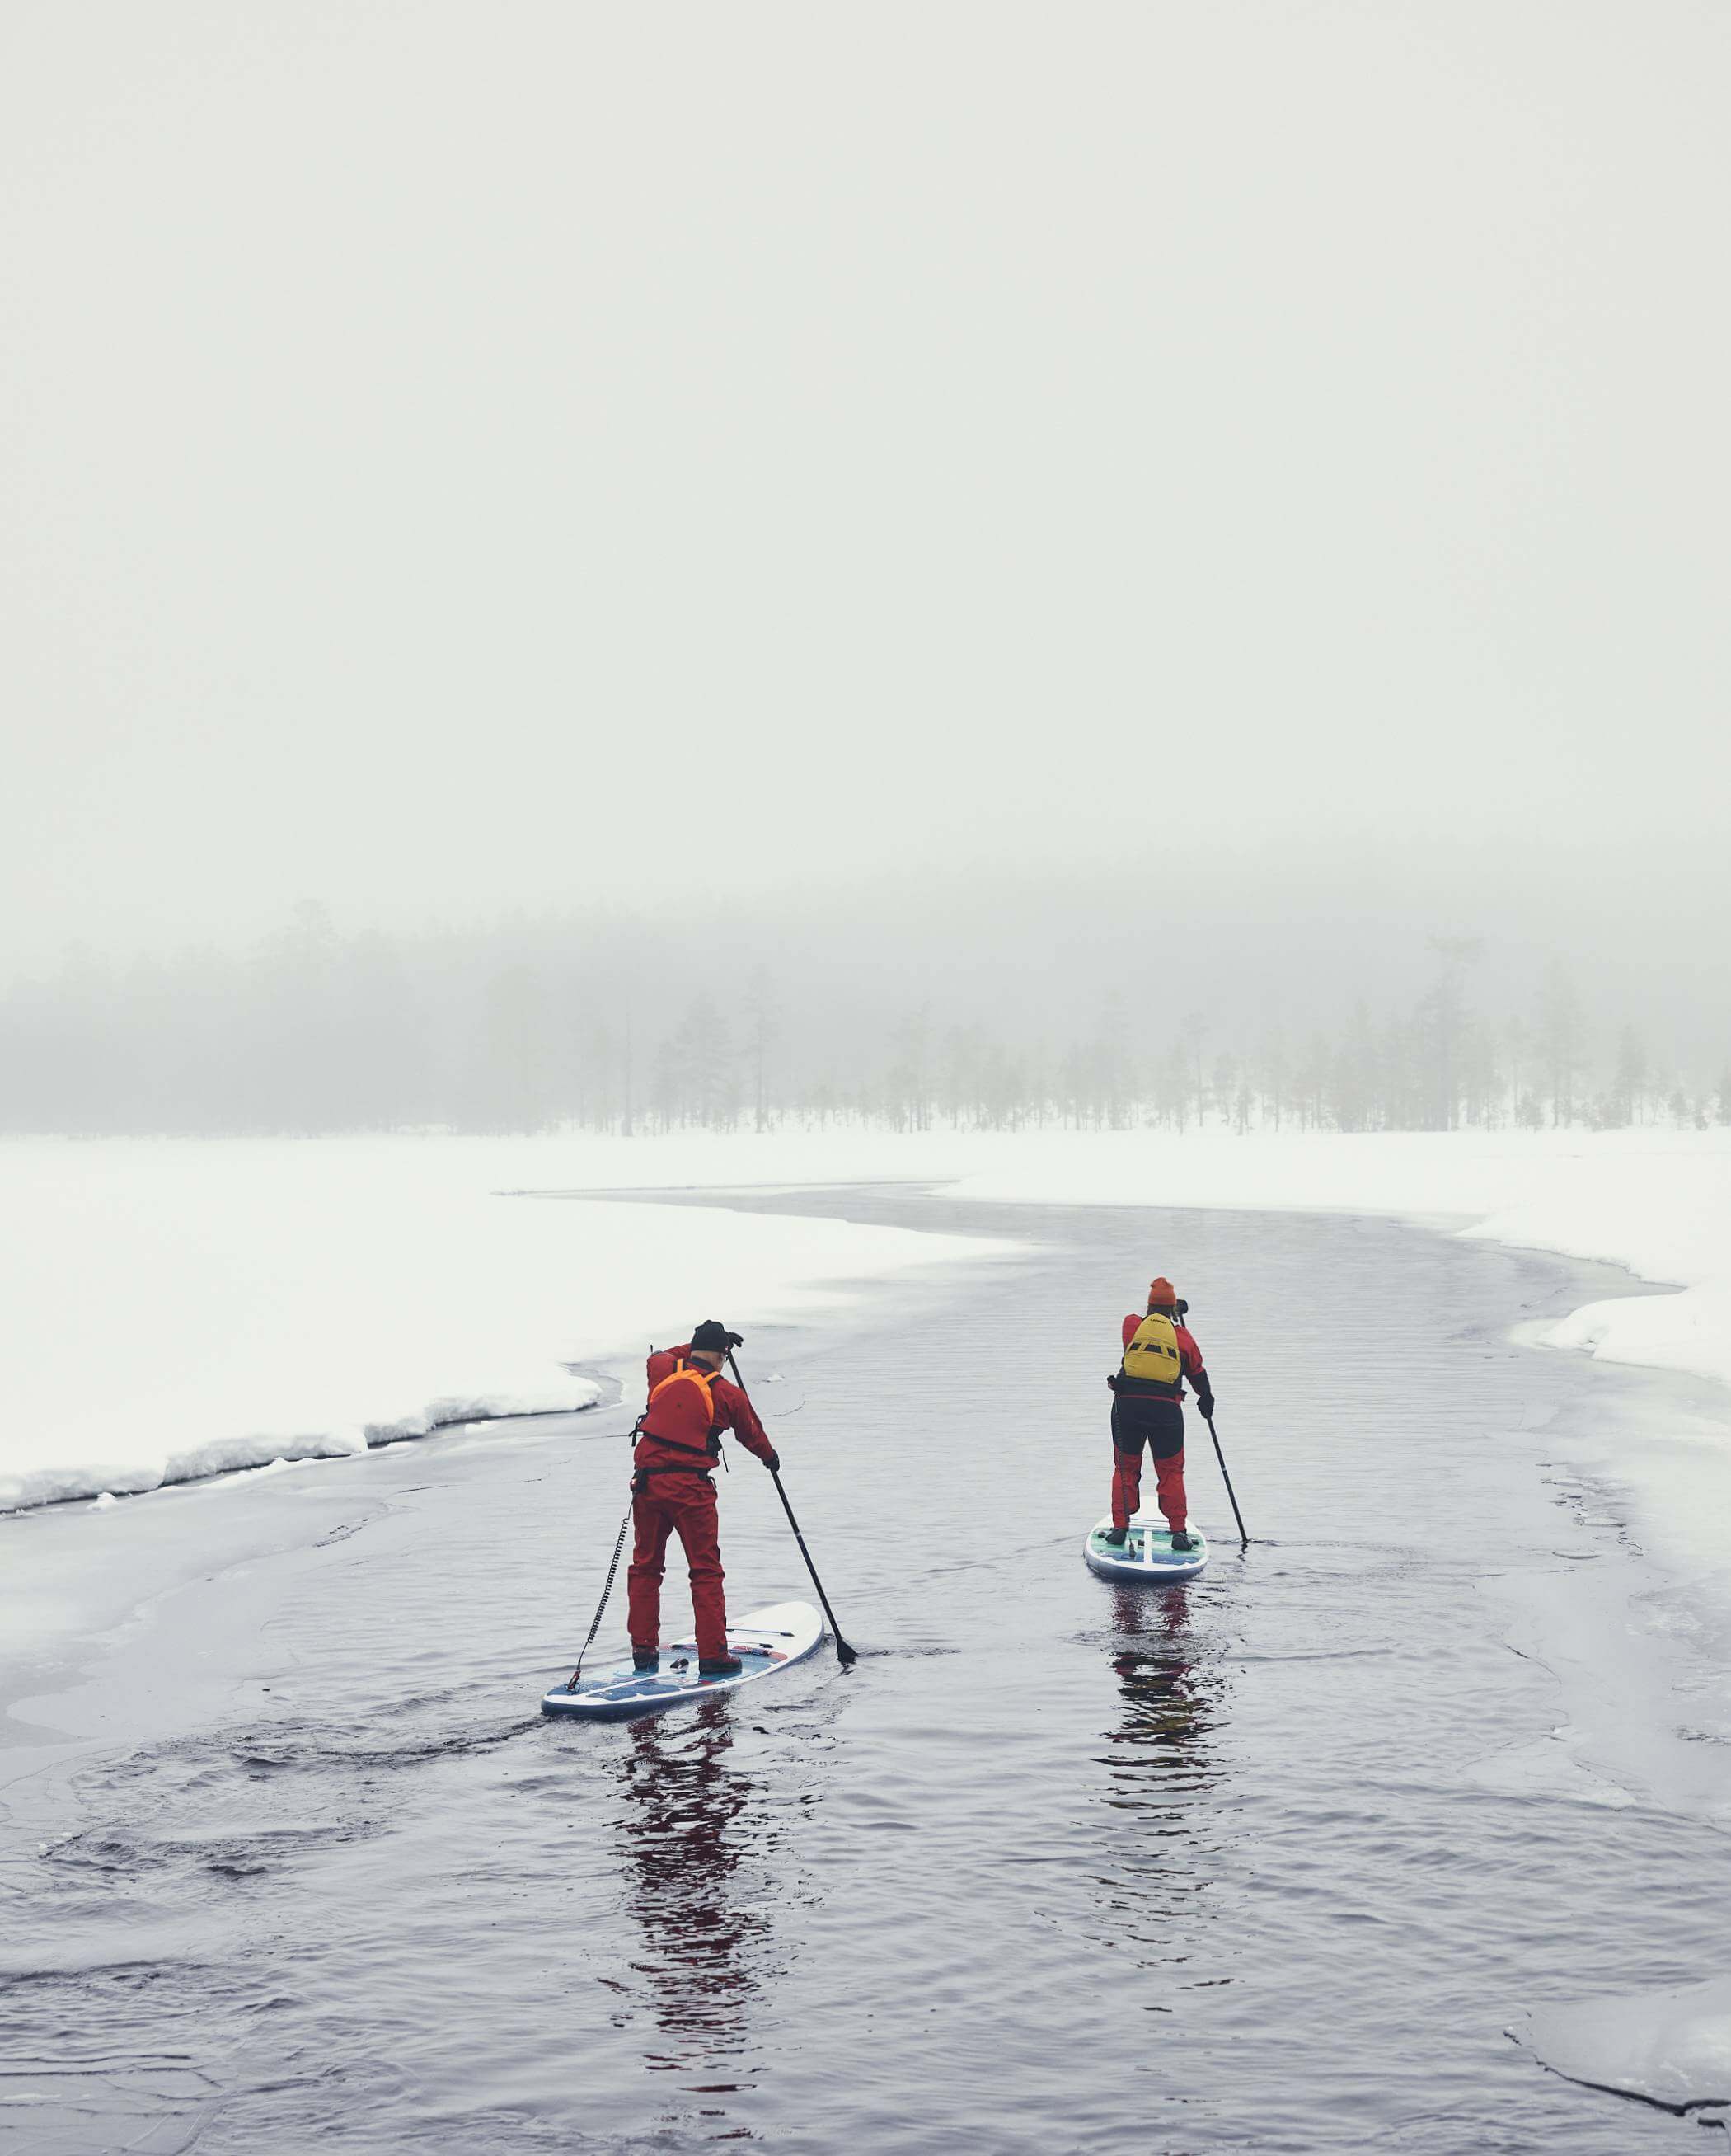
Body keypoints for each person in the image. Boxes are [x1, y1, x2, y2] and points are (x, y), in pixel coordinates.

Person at [626, 1320, 781, 1678]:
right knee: (705, 1571)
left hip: (647, 1486)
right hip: (691, 1492)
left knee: (645, 1568)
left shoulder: (663, 1372)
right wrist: (769, 1458)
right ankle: (713, 1657)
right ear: (721, 1356)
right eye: (724, 1356)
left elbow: (667, 1355)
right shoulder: (728, 1394)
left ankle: (643, 1654)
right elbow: (751, 1431)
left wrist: (704, 1343)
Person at [1104, 1276, 1214, 1552]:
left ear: (1150, 1307)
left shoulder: (1132, 1327)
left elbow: (1140, 1321)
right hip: (1166, 1411)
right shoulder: (1182, 1337)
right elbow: (1197, 1372)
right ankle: (1178, 1532)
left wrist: (1168, 1309)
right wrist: (1206, 1398)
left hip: (1128, 1407)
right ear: (1173, 1310)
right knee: (1171, 1472)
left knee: (1126, 1468)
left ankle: (1120, 1527)